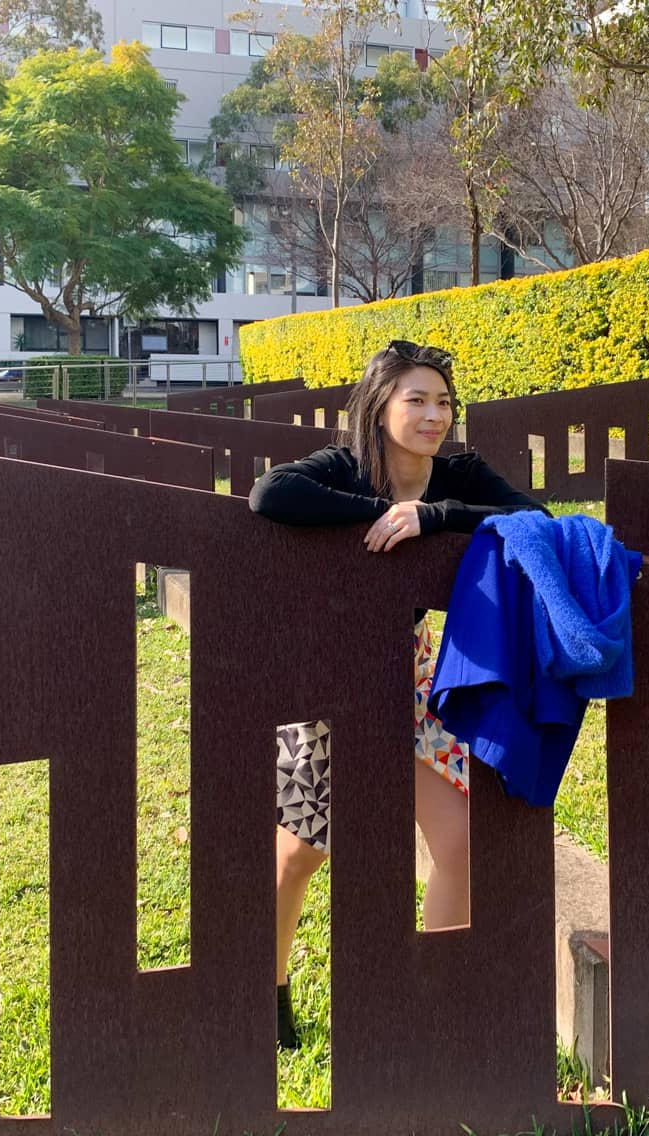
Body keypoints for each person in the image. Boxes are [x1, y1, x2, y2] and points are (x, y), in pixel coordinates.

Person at [248, 339, 547, 1048]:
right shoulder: (345, 465)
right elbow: (268, 494)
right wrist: (378, 512)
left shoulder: (459, 472)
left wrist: (433, 516)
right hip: (331, 675)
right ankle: (269, 989)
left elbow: (536, 520)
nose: (433, 415)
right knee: (299, 853)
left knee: (460, 842)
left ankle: (437, 1012)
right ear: (380, 405)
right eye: (416, 399)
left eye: (443, 402)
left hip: (414, 674)